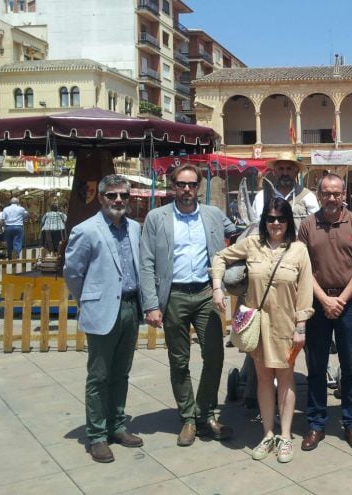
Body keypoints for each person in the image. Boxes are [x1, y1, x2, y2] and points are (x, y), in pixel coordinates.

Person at [139, 163, 236, 447]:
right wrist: (151, 304)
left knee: (215, 355)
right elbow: (146, 263)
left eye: (192, 185)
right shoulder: (157, 218)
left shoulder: (213, 215)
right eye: (181, 184)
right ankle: (188, 418)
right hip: (174, 296)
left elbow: (244, 232)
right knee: (178, 360)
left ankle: (205, 412)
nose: (186, 190)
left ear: (198, 188)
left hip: (207, 293)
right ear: (172, 187)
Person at [211, 197, 313, 463]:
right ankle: (267, 434)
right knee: (264, 379)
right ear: (264, 221)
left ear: (289, 221)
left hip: (287, 325)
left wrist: (301, 326)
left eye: (281, 218)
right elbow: (220, 257)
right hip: (258, 326)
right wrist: (217, 287)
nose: (275, 223)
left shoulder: (299, 250)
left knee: (286, 379)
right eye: (270, 218)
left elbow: (304, 291)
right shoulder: (252, 245)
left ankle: (286, 436)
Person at [63, 175, 143, 463]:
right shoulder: (86, 230)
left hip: (131, 308)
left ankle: (117, 426)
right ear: (101, 198)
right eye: (112, 195)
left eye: (123, 195)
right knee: (98, 376)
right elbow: (73, 272)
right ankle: (96, 435)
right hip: (102, 309)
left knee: (121, 372)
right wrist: (89, 299)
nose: (118, 200)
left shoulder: (135, 228)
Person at [298, 173, 352, 452]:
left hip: (348, 301)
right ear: (318, 195)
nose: (331, 198)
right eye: (326, 193)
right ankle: (316, 423)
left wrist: (340, 299)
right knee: (315, 365)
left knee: (350, 364)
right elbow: (302, 267)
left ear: (344, 195)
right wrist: (324, 300)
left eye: (336, 193)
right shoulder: (307, 225)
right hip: (317, 302)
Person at [252, 151, 319, 231]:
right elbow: (255, 225)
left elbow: (315, 225)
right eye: (281, 169)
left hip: (299, 243)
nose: (285, 173)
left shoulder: (307, 196)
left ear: (296, 172)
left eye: (289, 169)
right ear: (275, 172)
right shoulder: (262, 197)